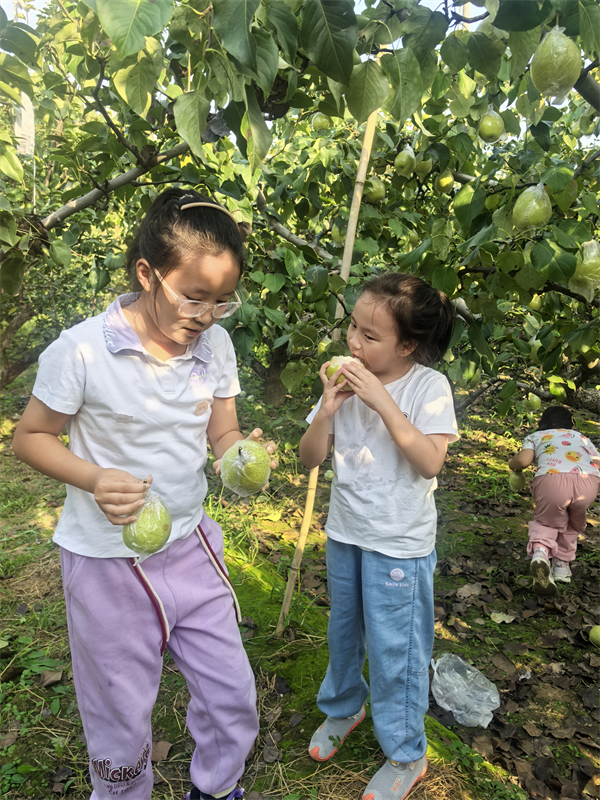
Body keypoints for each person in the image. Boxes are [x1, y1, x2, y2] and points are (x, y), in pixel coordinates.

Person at [12, 188, 278, 800]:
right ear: (147, 274)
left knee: (230, 687)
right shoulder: (82, 350)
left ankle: (216, 788)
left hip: (188, 543)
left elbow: (223, 434)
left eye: (222, 300)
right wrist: (94, 477)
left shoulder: (214, 346)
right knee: (119, 710)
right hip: (106, 561)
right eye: (194, 296)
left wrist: (242, 457)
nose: (207, 314)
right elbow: (30, 437)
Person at [299, 273, 458, 800]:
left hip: (400, 545)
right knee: (343, 632)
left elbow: (430, 460)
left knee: (398, 650)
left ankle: (406, 753)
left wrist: (382, 402)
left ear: (407, 345)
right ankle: (345, 708)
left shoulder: (428, 387)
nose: (354, 343)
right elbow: (310, 458)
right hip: (347, 532)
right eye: (353, 327)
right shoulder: (341, 385)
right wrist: (329, 407)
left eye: (371, 336)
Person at [508, 405, 600, 596]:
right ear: (571, 426)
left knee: (547, 520)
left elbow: (524, 461)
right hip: (587, 483)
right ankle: (561, 566)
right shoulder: (582, 437)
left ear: (542, 424)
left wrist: (513, 464)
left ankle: (541, 553)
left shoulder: (536, 436)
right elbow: (597, 461)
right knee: (574, 523)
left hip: (552, 481)